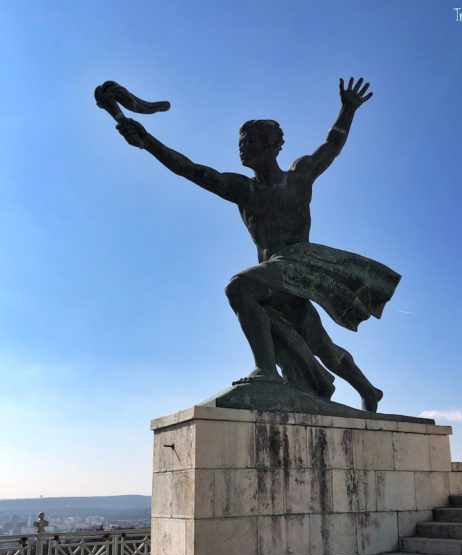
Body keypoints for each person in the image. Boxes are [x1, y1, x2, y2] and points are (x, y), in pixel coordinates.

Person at [117, 77, 400, 411]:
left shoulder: (299, 176)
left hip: (298, 264)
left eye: (249, 141)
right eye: (240, 141)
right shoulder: (243, 189)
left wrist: (348, 109)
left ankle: (266, 371)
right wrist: (147, 142)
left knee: (239, 288)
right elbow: (190, 170)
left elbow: (332, 145)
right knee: (321, 346)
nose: (241, 147)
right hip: (277, 279)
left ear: (271, 145)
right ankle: (369, 390)